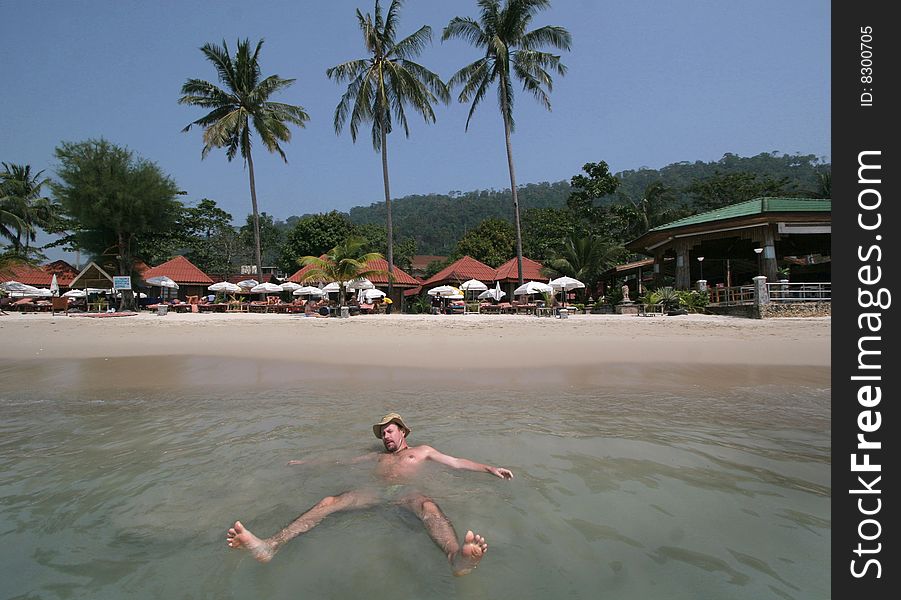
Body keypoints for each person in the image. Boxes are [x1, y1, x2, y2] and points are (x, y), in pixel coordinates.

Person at [226, 412, 513, 576]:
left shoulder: (421, 451)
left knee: (428, 506)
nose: (385, 437)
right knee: (329, 501)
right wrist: (306, 464)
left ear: (403, 432)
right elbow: (340, 462)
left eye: (389, 431)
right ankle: (270, 546)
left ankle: (456, 559)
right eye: (383, 434)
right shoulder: (376, 457)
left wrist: (489, 468)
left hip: (406, 493)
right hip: (375, 492)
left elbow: (456, 462)